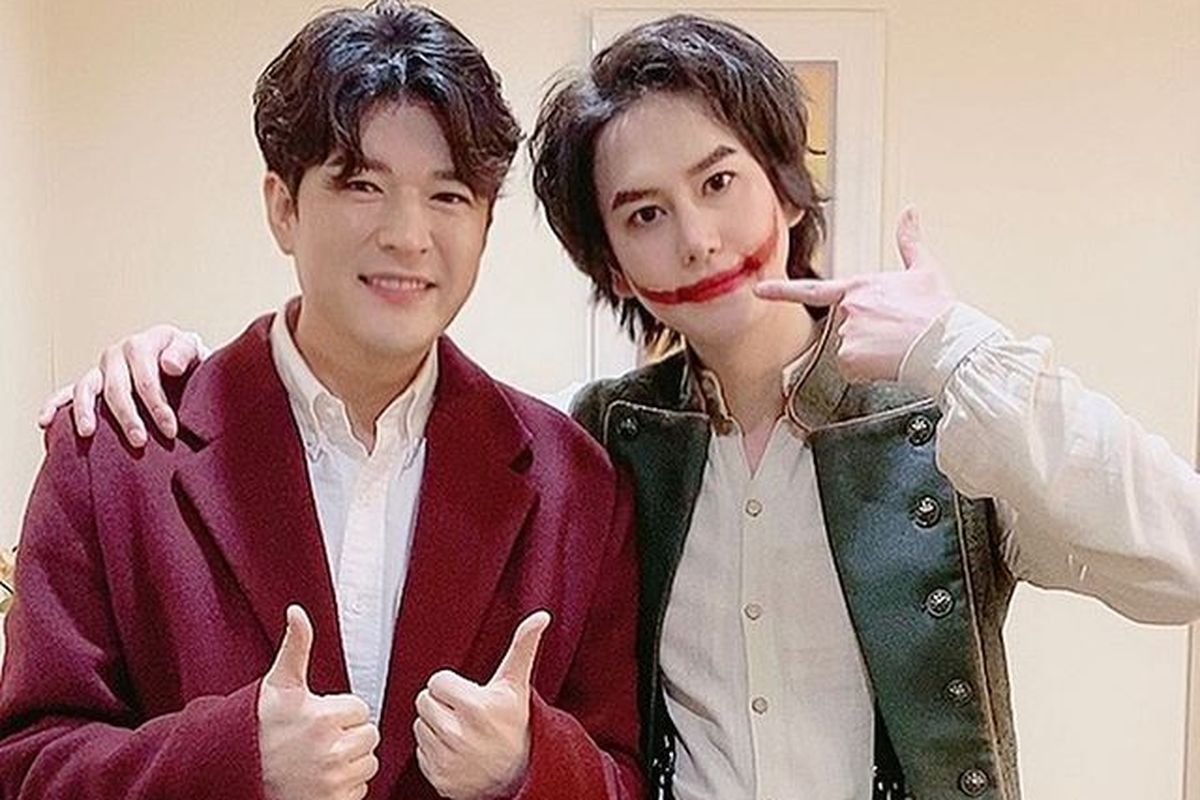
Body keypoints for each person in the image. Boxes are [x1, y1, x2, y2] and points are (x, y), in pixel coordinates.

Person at [36, 12, 1200, 800]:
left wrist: (962, 351)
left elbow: (1182, 559)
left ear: (789, 186)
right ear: (612, 264)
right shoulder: (607, 443)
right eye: (643, 213)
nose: (696, 237)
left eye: (719, 181)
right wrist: (164, 367)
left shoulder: (932, 424)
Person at [0, 3, 643, 799]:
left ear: (485, 224)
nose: (408, 234)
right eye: (362, 185)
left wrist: (529, 765)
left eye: (448, 196)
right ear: (283, 207)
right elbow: (27, 764)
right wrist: (233, 760)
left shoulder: (576, 482)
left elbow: (623, 775)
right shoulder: (115, 455)